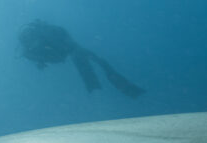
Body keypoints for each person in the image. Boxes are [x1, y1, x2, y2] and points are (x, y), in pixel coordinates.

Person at [17, 19, 145, 98]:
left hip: (69, 47)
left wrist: (67, 47)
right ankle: (99, 91)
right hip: (66, 49)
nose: (32, 43)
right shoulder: (30, 50)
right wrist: (40, 61)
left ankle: (98, 91)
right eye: (29, 42)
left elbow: (63, 37)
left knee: (92, 63)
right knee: (94, 63)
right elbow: (41, 54)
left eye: (31, 40)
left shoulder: (47, 33)